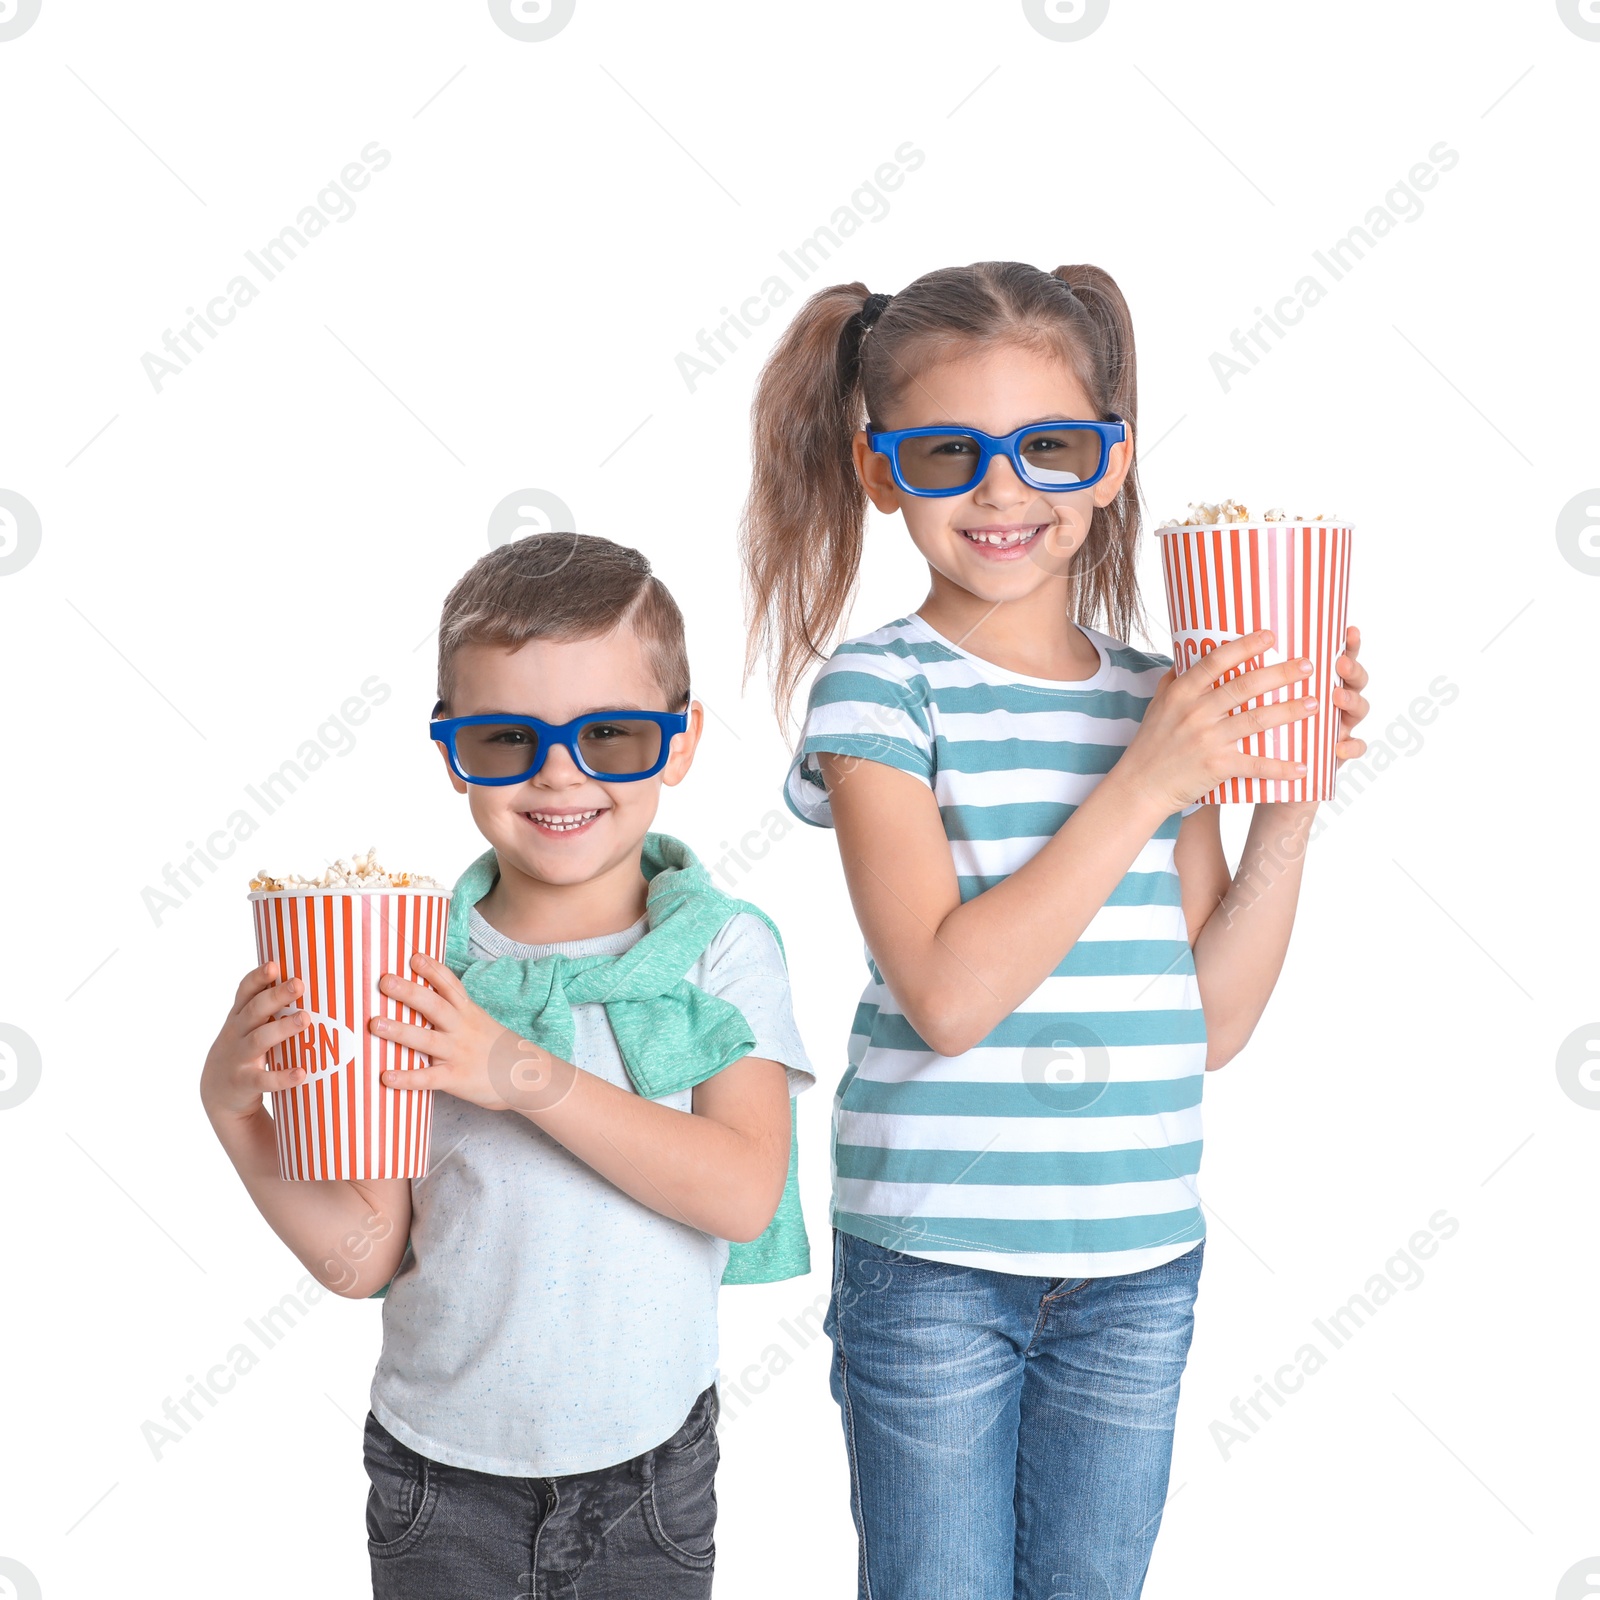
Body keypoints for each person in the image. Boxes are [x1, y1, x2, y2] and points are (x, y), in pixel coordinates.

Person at [740, 260, 1371, 1600]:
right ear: (879, 468)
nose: (1004, 489)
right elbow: (949, 997)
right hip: (936, 1268)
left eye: (1050, 447)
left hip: (1140, 1261)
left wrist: (1286, 806)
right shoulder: (879, 691)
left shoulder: (1160, 691)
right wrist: (1149, 777)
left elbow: (1213, 1024)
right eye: (951, 452)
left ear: (1109, 461)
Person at [202, 533, 814, 1598]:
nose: (559, 770)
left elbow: (741, 1191)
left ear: (680, 740)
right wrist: (236, 1113)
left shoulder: (721, 948)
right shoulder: (405, 966)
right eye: (505, 737)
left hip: (648, 1470)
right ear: (450, 751)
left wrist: (517, 1071)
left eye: (612, 734)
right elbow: (363, 1257)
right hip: (438, 1472)